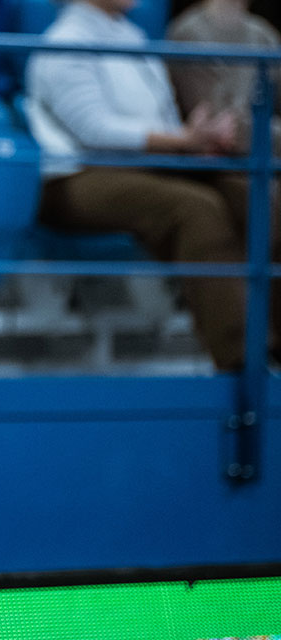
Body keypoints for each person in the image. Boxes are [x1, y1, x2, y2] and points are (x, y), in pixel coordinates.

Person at [25, 0, 281, 370]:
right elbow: (94, 131)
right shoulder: (64, 41)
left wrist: (197, 141)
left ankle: (276, 338)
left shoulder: (132, 37)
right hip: (78, 176)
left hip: (148, 166)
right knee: (194, 208)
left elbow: (162, 119)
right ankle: (243, 358)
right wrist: (182, 140)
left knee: (251, 195)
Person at [166, 0, 281, 156]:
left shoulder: (264, 34)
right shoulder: (189, 32)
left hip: (259, 153)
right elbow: (218, 128)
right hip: (215, 158)